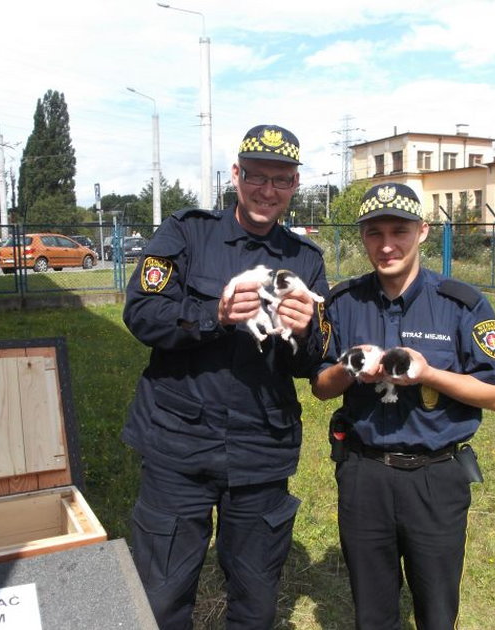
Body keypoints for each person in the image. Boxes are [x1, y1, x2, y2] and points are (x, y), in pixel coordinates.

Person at [122, 124, 330, 629]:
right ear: (235, 175)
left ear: (295, 185)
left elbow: (317, 357)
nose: (267, 191)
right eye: (257, 177)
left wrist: (305, 334)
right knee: (162, 595)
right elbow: (142, 313)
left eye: (281, 180)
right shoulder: (187, 233)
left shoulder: (306, 259)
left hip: (261, 449)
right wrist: (212, 315)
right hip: (178, 446)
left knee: (256, 599)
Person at [312, 183, 495, 629]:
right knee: (372, 609)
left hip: (435, 477)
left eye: (399, 231)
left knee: (437, 609)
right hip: (364, 475)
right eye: (374, 233)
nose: (387, 245)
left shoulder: (461, 304)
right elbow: (321, 387)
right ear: (362, 236)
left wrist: (428, 374)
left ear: (423, 231)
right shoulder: (343, 303)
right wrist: (350, 367)